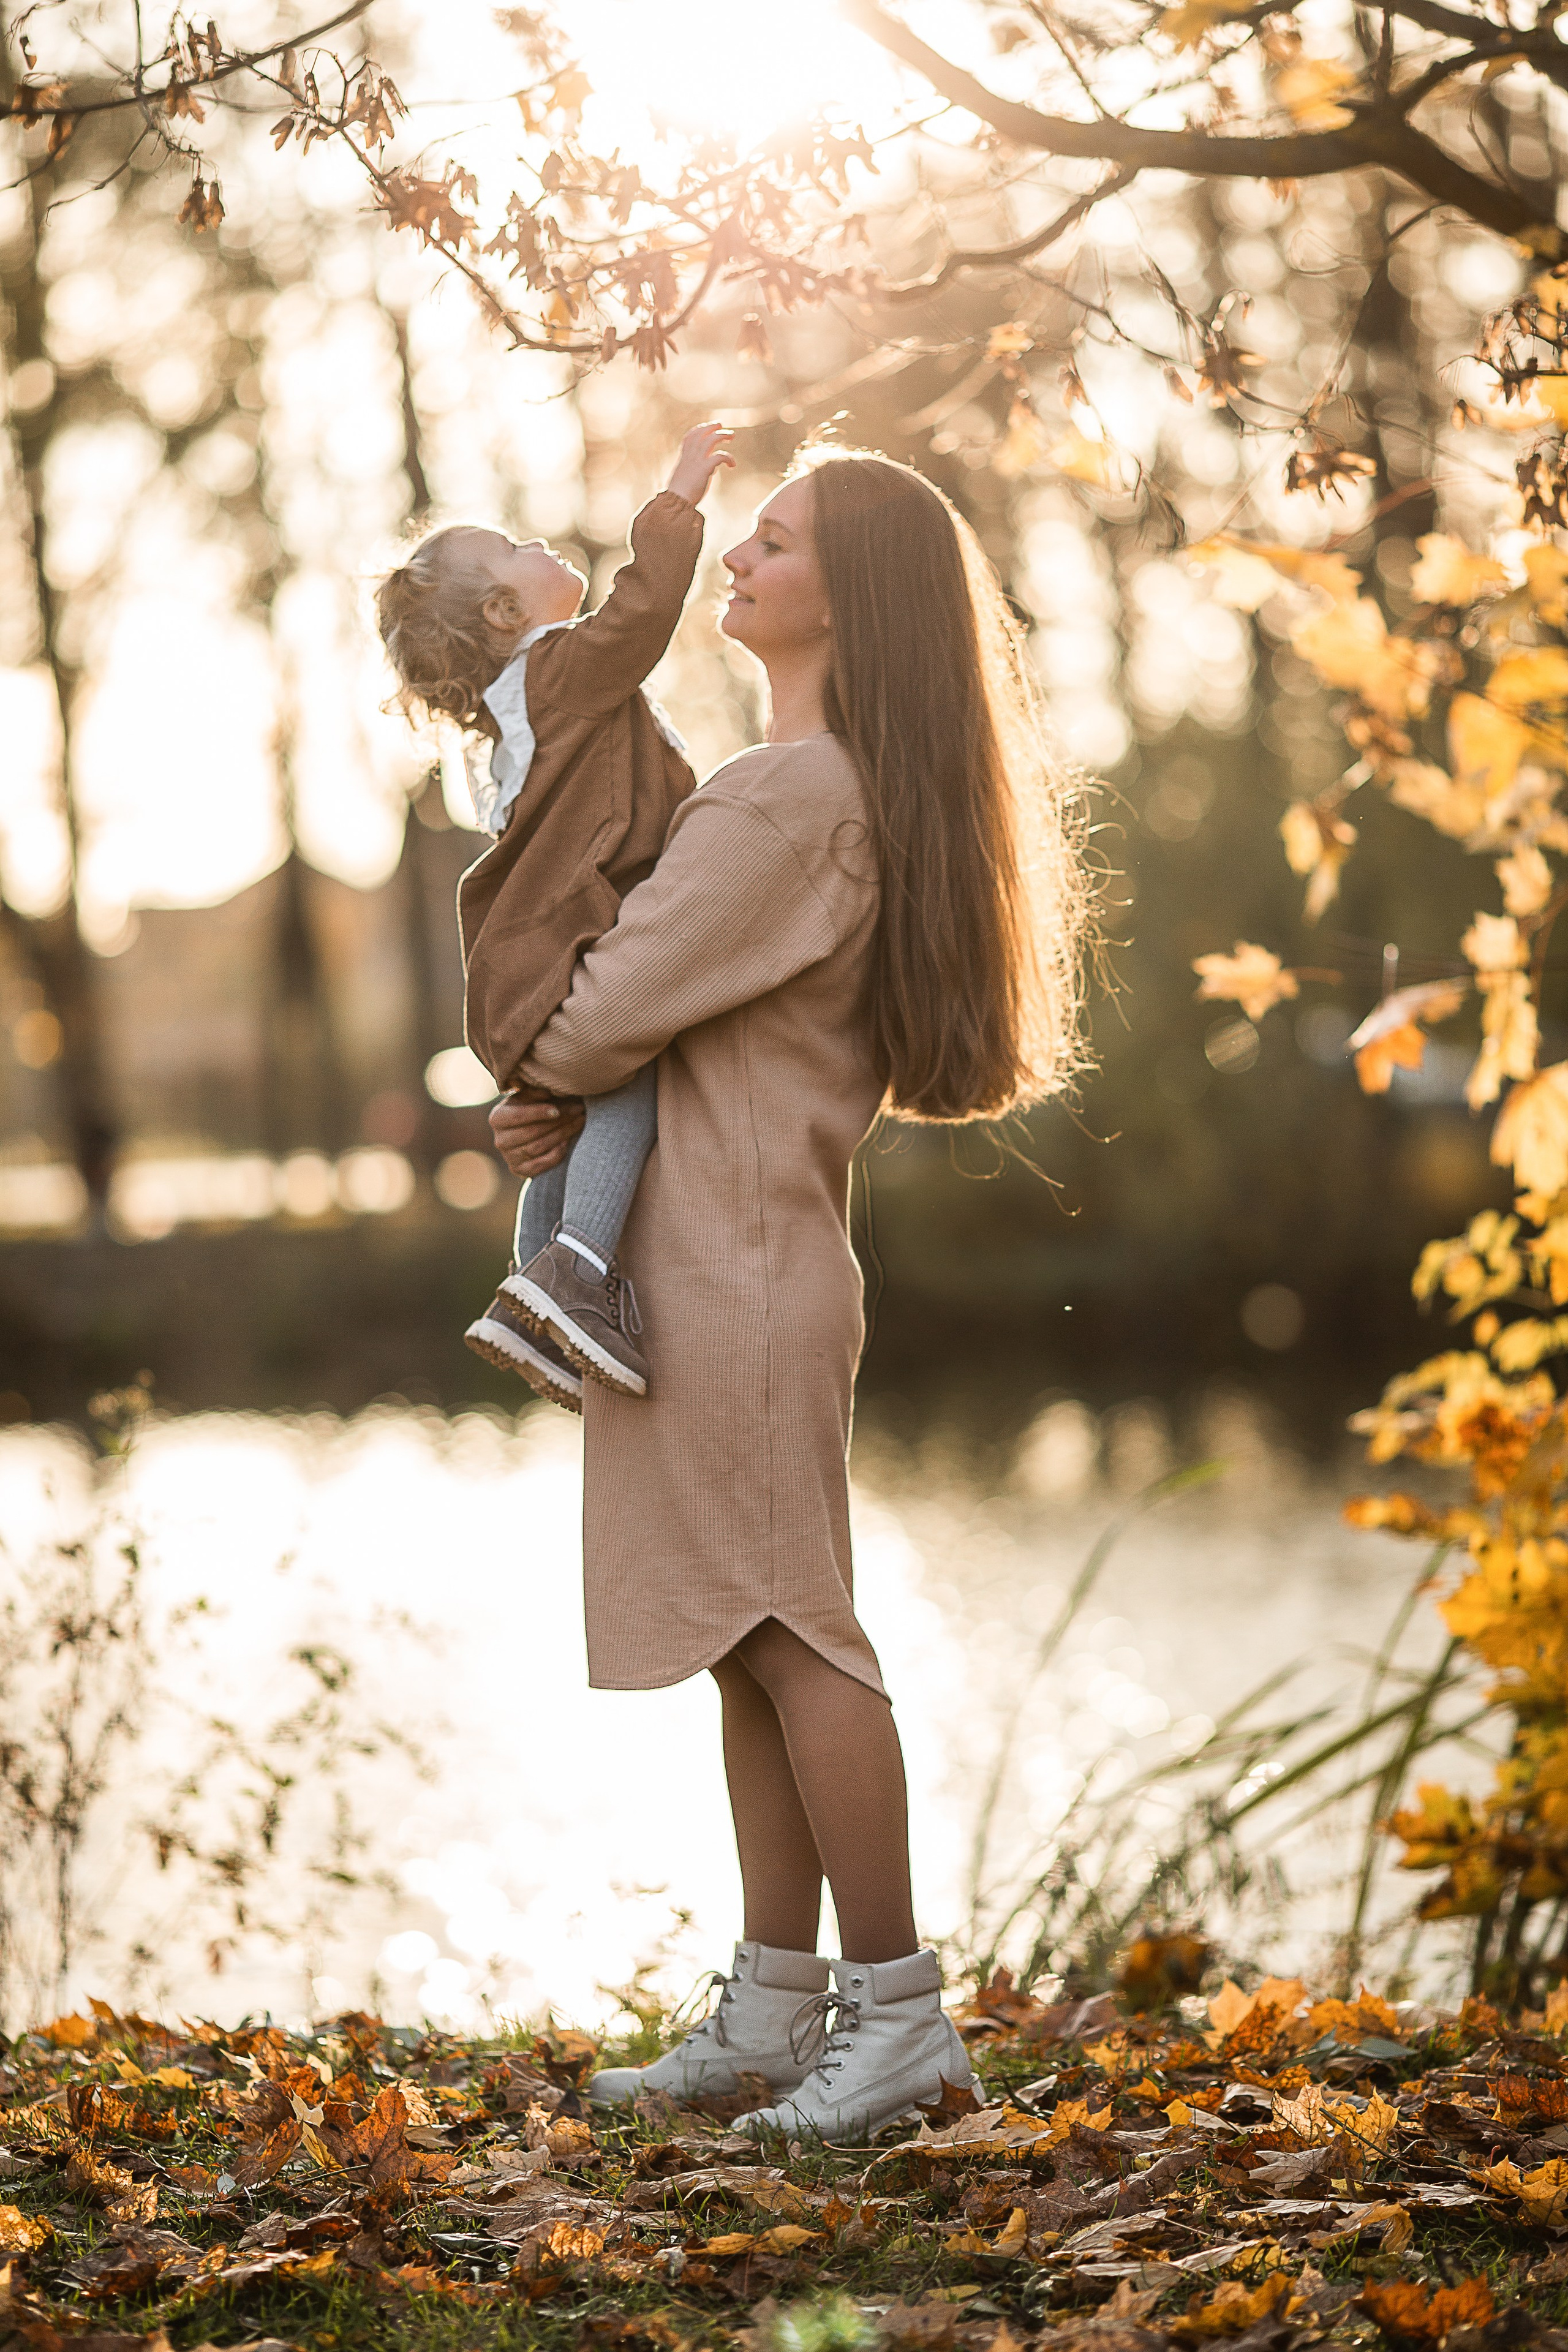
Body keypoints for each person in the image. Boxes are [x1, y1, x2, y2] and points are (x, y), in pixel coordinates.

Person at [489, 447, 1092, 2140]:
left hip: (733, 1272)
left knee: (795, 1636)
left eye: (776, 540)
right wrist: (556, 1083)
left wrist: (526, 1065)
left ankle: (897, 2022)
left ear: (853, 597)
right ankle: (773, 2007)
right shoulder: (812, 787)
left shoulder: (784, 800)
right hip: (728, 1263)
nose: (738, 557)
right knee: (742, 1645)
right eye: (747, 535)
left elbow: (600, 1013)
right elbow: (635, 1029)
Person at [375, 423, 734, 1411]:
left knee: (574, 1125)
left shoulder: (514, 714)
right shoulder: (557, 670)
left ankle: (527, 1294)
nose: (543, 550)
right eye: (518, 552)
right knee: (633, 1073)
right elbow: (645, 610)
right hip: (577, 943)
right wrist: (678, 497)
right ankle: (577, 1266)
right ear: (505, 608)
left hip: (528, 963)